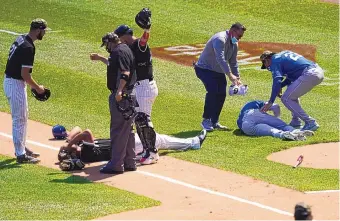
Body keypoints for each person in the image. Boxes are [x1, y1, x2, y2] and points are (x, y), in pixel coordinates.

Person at [113, 21, 160, 165]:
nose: (119, 42)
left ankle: (152, 152)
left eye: (119, 38)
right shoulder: (130, 47)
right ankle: (148, 150)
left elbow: (144, 40)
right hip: (141, 87)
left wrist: (147, 29)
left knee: (143, 120)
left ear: (125, 36)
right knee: (140, 120)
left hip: (144, 87)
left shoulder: (138, 45)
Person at [3, 18, 48, 164]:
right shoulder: (28, 47)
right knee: (19, 119)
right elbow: (25, 75)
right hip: (15, 83)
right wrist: (38, 88)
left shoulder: (21, 38)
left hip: (11, 81)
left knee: (23, 116)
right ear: (37, 30)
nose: (44, 33)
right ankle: (21, 154)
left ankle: (22, 147)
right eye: (43, 30)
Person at [95, 32, 137, 174]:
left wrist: (119, 91)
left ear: (110, 42)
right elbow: (116, 67)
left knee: (118, 130)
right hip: (129, 95)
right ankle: (130, 161)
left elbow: (125, 72)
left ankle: (116, 164)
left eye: (106, 45)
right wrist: (101, 59)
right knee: (128, 130)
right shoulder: (124, 49)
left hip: (122, 96)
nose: (106, 48)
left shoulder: (119, 52)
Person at [194, 22, 246, 132]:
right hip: (204, 69)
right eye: (239, 36)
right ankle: (206, 120)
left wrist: (237, 77)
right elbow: (220, 59)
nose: (240, 39)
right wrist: (230, 75)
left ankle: (214, 121)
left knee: (221, 94)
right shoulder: (220, 39)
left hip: (218, 71)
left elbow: (233, 62)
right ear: (232, 31)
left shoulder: (234, 43)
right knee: (213, 91)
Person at [59, 126, 207, 162]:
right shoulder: (86, 153)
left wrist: (67, 144)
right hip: (130, 147)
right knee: (160, 140)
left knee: (161, 139)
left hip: (127, 142)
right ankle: (194, 143)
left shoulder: (83, 146)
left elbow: (77, 129)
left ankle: (193, 142)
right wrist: (67, 146)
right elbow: (86, 132)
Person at [259, 50, 324, 131]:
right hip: (317, 71)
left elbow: (277, 81)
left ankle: (310, 122)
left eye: (265, 64)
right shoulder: (283, 55)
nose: (267, 67)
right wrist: (280, 86)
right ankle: (295, 121)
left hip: (310, 74)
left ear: (267, 60)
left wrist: (270, 102)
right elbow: (290, 78)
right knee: (291, 94)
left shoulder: (275, 60)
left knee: (286, 98)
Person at [237, 100, 314, 140]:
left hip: (245, 127)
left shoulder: (244, 110)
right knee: (282, 125)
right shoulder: (258, 103)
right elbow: (275, 106)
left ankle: (284, 135)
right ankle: (295, 131)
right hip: (252, 114)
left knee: (272, 131)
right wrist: (277, 119)